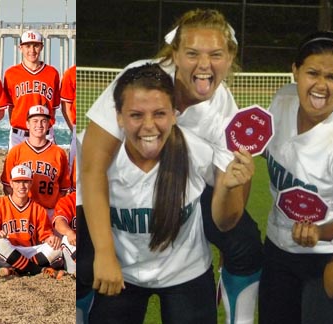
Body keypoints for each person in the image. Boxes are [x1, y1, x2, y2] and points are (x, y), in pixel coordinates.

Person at [80, 9, 263, 324]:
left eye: (216, 55)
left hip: (182, 182)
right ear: (175, 54)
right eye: (192, 53)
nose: (204, 65)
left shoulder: (226, 116)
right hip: (118, 180)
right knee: (83, 256)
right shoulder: (139, 80)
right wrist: (104, 253)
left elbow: (225, 219)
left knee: (245, 243)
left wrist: (232, 185)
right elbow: (93, 167)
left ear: (230, 58)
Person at [258, 31, 333, 324]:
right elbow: (266, 150)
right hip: (277, 247)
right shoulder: (282, 101)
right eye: (312, 73)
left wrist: (320, 232)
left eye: (332, 77)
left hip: (328, 259)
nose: (320, 85)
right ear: (295, 71)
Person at [0, 164, 64, 279]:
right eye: (17, 182)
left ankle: (16, 270)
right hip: (7, 251)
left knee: (58, 246)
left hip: (29, 252)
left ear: (31, 183)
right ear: (11, 183)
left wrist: (51, 239)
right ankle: (36, 270)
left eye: (25, 182)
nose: (21, 186)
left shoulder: (38, 209)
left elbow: (45, 235)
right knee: (0, 243)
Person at [1, 105, 71, 217]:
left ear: (49, 124)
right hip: (24, 211)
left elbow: (63, 189)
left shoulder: (59, 153)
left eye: (43, 121)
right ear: (27, 124)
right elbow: (7, 186)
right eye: (35, 121)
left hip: (50, 211)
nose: (39, 125)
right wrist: (21, 207)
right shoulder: (15, 152)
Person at [3, 29, 60, 148]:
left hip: (45, 133)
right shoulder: (10, 74)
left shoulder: (52, 73)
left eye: (36, 46)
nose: (32, 50)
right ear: (20, 48)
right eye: (27, 46)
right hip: (18, 135)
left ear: (42, 47)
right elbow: (11, 106)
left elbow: (53, 108)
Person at [53, 191, 76, 276]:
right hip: (76, 248)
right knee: (66, 238)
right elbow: (59, 222)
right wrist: (69, 232)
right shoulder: (68, 200)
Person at [60, 64, 77, 174]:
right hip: (79, 128)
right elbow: (66, 108)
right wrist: (74, 129)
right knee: (74, 169)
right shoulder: (70, 73)